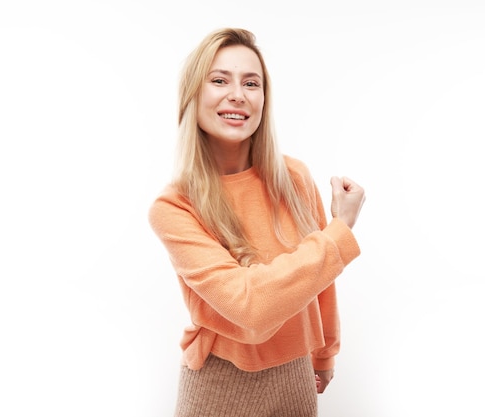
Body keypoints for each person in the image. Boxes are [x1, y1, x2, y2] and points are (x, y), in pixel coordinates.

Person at [148, 27, 366, 417]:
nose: (238, 94)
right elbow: (250, 306)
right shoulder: (175, 206)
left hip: (296, 377)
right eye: (219, 80)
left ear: (264, 99)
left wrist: (325, 351)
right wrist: (339, 232)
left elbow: (320, 283)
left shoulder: (293, 178)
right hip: (217, 386)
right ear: (193, 95)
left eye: (252, 83)